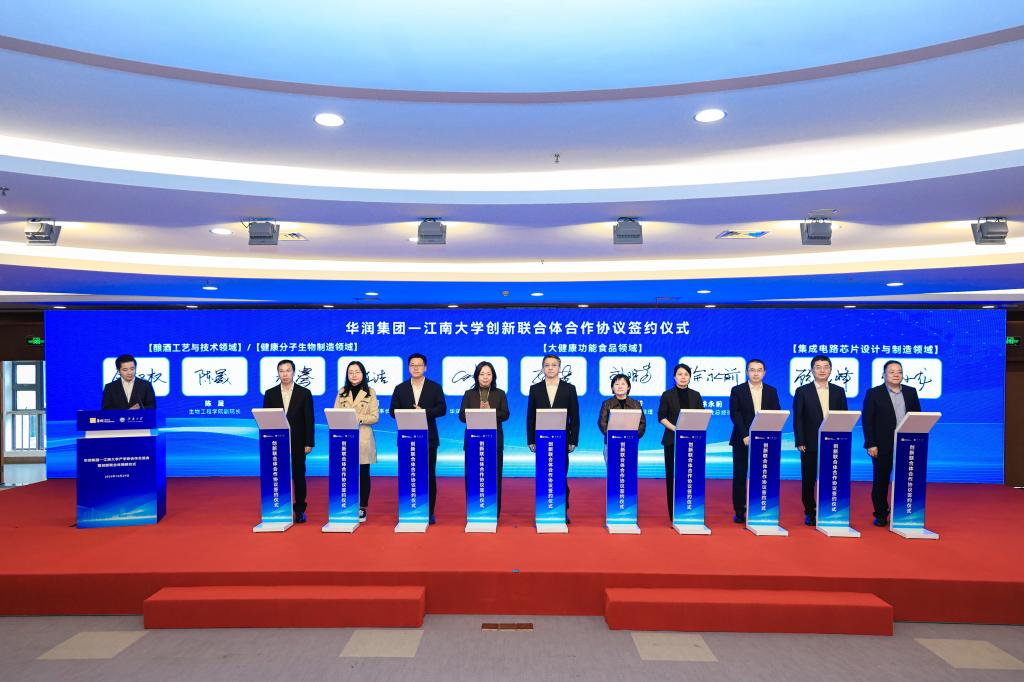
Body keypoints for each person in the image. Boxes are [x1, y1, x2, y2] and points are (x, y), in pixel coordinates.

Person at [862, 360, 921, 526]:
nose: (896, 374)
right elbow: (868, 421)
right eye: (892, 371)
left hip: (907, 444)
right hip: (881, 445)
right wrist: (871, 444)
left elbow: (917, 417)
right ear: (884, 374)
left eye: (899, 371)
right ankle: (881, 514)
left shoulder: (911, 392)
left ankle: (904, 512)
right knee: (881, 481)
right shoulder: (874, 393)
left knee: (906, 479)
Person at [390, 353, 447, 524]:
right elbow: (392, 411)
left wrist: (424, 412)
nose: (416, 368)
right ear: (408, 368)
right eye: (412, 365)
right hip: (407, 439)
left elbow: (442, 409)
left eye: (419, 365)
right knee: (408, 474)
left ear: (425, 368)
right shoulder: (400, 388)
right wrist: (409, 414)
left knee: (429, 475)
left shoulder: (434, 387)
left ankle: (429, 512)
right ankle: (409, 509)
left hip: (429, 439)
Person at [792, 354, 848, 526]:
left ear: (830, 370)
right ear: (812, 370)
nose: (822, 370)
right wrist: (800, 441)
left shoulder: (839, 391)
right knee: (809, 479)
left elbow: (844, 417)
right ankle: (810, 511)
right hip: (809, 443)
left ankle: (829, 508)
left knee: (832, 477)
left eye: (825, 367)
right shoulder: (802, 391)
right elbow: (798, 418)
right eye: (818, 367)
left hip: (833, 442)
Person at [526, 354, 580, 520]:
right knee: (544, 474)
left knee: (561, 475)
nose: (550, 368)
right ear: (543, 368)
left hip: (562, 441)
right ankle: (544, 508)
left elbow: (575, 417)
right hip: (541, 440)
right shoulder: (535, 389)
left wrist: (573, 440)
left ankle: (562, 510)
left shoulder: (569, 389)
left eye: (554, 365)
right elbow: (530, 417)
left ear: (559, 367)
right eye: (547, 365)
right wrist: (531, 440)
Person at [728, 359, 781, 523]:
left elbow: (776, 413)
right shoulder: (738, 390)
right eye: (752, 370)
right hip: (741, 439)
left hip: (765, 440)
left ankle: (760, 508)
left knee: (762, 475)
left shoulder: (771, 391)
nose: (756, 373)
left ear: (764, 372)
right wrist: (745, 435)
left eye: (759, 370)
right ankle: (740, 511)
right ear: (747, 372)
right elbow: (735, 414)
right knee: (740, 476)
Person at [263, 359, 315, 524]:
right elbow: (266, 419)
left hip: (299, 442)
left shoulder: (304, 393)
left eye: (288, 370)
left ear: (293, 372)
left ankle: (299, 510)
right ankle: (279, 508)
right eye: (281, 371)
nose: (285, 374)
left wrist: (309, 442)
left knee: (299, 476)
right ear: (278, 373)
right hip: (277, 443)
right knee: (278, 475)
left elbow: (309, 420)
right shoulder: (270, 393)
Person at [458, 361, 511, 517]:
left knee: (494, 477)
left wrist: (490, 411)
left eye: (488, 374)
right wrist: (478, 412)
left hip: (494, 442)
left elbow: (505, 414)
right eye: (482, 374)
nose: (485, 377)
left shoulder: (500, 393)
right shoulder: (469, 394)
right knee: (473, 477)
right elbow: (462, 416)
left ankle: (494, 513)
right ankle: (474, 511)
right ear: (477, 376)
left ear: (493, 376)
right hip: (473, 442)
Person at [657, 363, 704, 521]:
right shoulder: (667, 395)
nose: (683, 377)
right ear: (674, 377)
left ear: (690, 377)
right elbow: (661, 417)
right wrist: (677, 430)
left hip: (692, 442)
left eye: (686, 374)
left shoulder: (696, 395)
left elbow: (701, 416)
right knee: (672, 477)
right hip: (672, 441)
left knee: (690, 476)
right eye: (680, 374)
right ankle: (673, 513)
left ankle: (689, 509)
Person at [334, 360, 380, 522]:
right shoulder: (342, 392)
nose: (353, 375)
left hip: (362, 438)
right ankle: (346, 503)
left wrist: (356, 417)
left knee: (363, 474)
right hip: (344, 438)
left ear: (363, 374)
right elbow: (335, 413)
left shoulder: (370, 392)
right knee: (345, 472)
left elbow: (375, 417)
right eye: (350, 372)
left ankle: (362, 507)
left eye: (357, 372)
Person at [597, 373, 647, 441]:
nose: (620, 387)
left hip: (631, 441)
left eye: (623, 384)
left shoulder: (636, 404)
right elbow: (602, 423)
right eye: (617, 384)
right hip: (612, 441)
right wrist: (613, 436)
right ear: (612, 388)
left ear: (628, 387)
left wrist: (633, 436)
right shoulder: (606, 403)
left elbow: (642, 423)